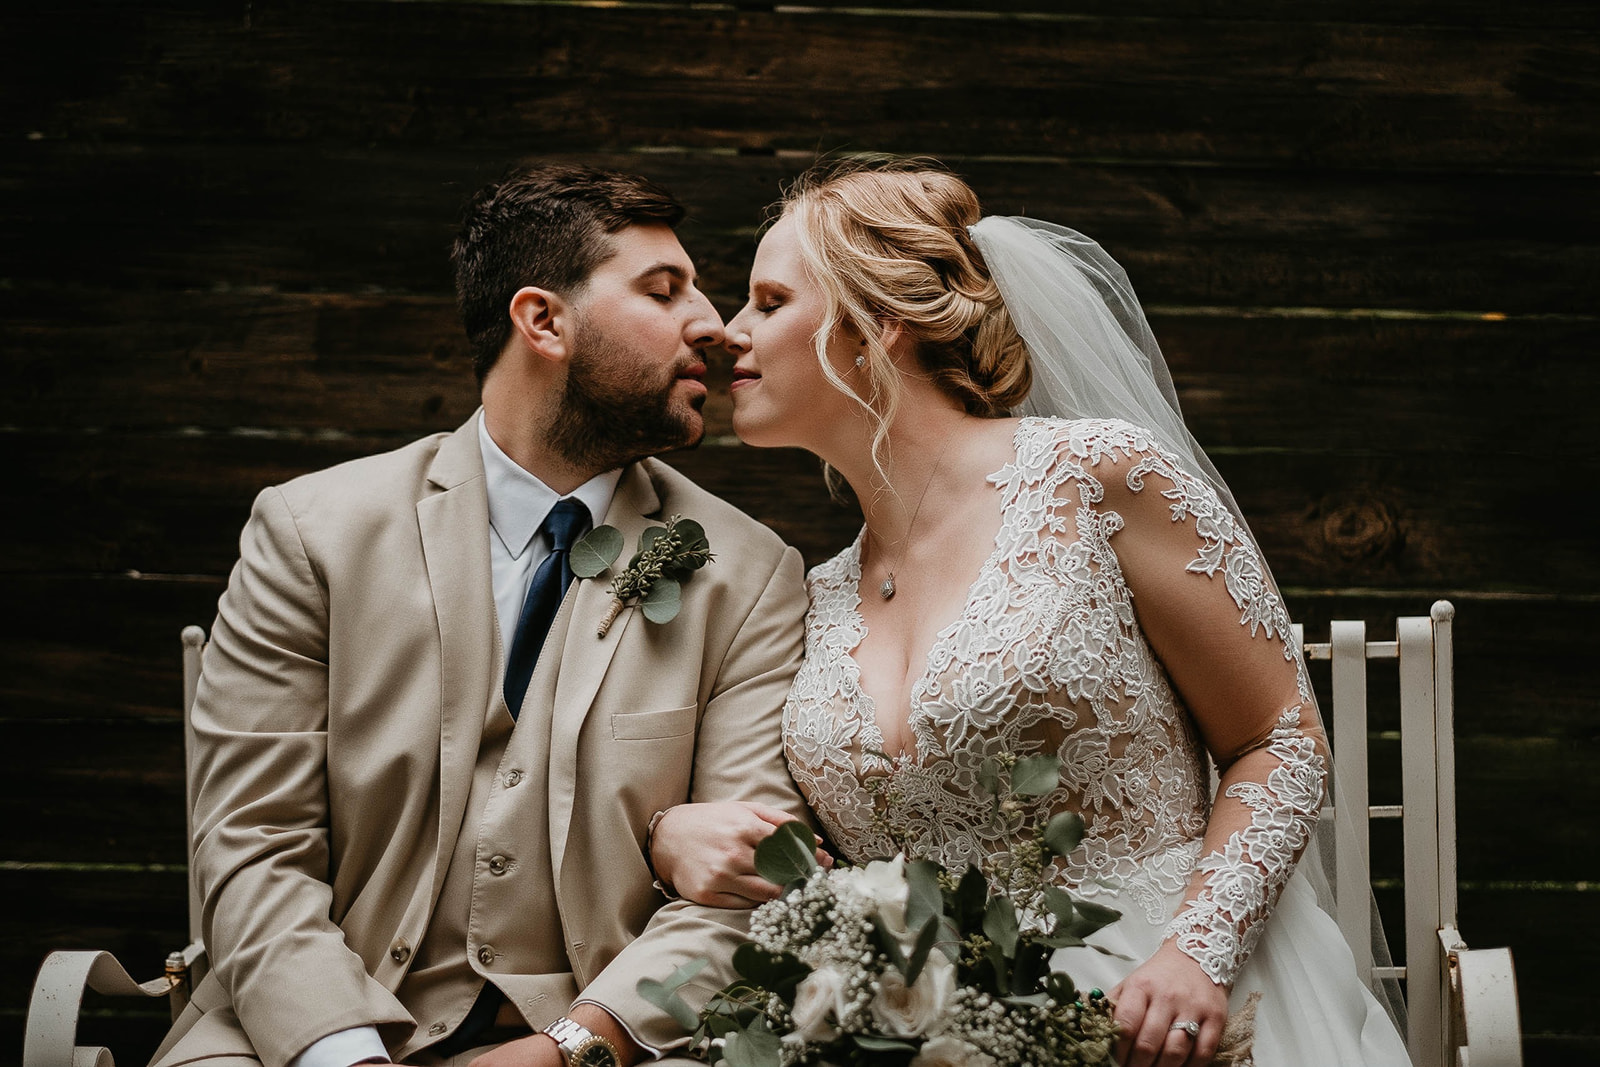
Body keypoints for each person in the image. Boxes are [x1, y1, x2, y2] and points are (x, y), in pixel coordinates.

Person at [646, 160, 1413, 1067]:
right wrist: (668, 833)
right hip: (936, 1028)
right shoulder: (814, 594)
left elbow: (1279, 740)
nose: (728, 335)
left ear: (878, 325)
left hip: (1170, 1010)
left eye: (768, 302)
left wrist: (1196, 953)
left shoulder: (1097, 481)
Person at [149, 164, 817, 1067]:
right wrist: (343, 1052)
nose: (712, 324)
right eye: (665, 291)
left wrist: (571, 1045)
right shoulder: (313, 534)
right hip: (307, 1029)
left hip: (609, 1040)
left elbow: (743, 888)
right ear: (542, 320)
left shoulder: (749, 573)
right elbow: (252, 843)